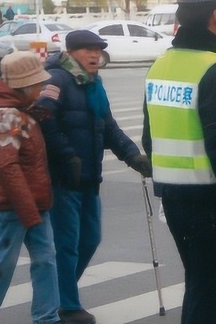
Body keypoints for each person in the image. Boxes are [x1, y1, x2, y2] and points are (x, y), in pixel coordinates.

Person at [142, 0, 216, 324]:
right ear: (215, 17)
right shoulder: (214, 68)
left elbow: (149, 137)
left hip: (174, 199)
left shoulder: (161, 65)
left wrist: (164, 191)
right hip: (209, 201)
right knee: (209, 295)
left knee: (197, 282)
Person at [36, 30, 151, 324]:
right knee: (68, 243)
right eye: (87, 50)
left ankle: (58, 291)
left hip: (89, 177)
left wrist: (132, 155)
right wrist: (67, 155)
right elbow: (43, 118)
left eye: (97, 51)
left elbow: (108, 127)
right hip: (63, 178)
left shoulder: (93, 84)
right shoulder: (57, 79)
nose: (93, 55)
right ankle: (67, 305)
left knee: (90, 239)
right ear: (72, 52)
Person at [0, 51, 60, 324]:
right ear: (24, 86)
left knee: (45, 258)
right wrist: (29, 211)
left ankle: (47, 317)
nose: (41, 87)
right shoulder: (6, 117)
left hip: (34, 203)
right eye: (37, 83)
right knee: (5, 260)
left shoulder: (23, 112)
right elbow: (7, 168)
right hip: (13, 206)